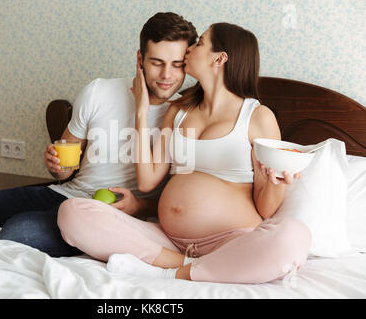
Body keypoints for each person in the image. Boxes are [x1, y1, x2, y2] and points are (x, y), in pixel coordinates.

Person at [57, 22, 312, 284]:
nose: (190, 49)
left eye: (199, 42)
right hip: (167, 241)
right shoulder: (177, 111)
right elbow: (147, 180)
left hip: (232, 240)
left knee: (294, 235)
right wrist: (141, 111)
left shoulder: (257, 117)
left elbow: (266, 209)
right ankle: (191, 266)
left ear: (220, 58)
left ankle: (173, 271)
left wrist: (274, 183)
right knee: (71, 212)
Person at [0, 12, 198, 258]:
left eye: (177, 65)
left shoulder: (185, 116)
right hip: (65, 193)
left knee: (18, 233)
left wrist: (140, 207)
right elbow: (65, 169)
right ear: (140, 59)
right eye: (157, 63)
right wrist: (57, 166)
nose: (167, 75)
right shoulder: (99, 91)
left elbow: (180, 206)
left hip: (111, 214)